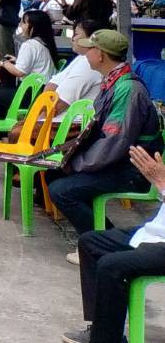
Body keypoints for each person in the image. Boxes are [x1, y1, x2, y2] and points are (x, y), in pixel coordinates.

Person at [49, 30, 164, 253]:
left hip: (133, 170)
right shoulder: (113, 81)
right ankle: (98, 237)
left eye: (89, 49)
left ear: (101, 55)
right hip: (118, 162)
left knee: (61, 190)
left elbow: (113, 142)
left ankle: (104, 244)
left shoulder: (128, 90)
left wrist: (78, 163)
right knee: (54, 173)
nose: (85, 53)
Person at [65, 145, 165, 343]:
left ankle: (104, 339)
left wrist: (162, 183)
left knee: (111, 265)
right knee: (90, 242)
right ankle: (102, 330)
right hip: (157, 232)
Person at [0, 8, 60, 118]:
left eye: (24, 22)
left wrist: (4, 62)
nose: (21, 25)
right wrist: (16, 60)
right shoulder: (45, 43)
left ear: (33, 27)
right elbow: (36, 62)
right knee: (1, 95)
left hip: (29, 94)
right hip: (42, 91)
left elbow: (20, 71)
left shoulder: (29, 45)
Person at [48, 19, 108, 109]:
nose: (73, 38)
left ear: (90, 39)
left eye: (76, 34)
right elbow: (51, 85)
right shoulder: (82, 58)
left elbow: (57, 104)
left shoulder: (88, 64)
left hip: (69, 121)